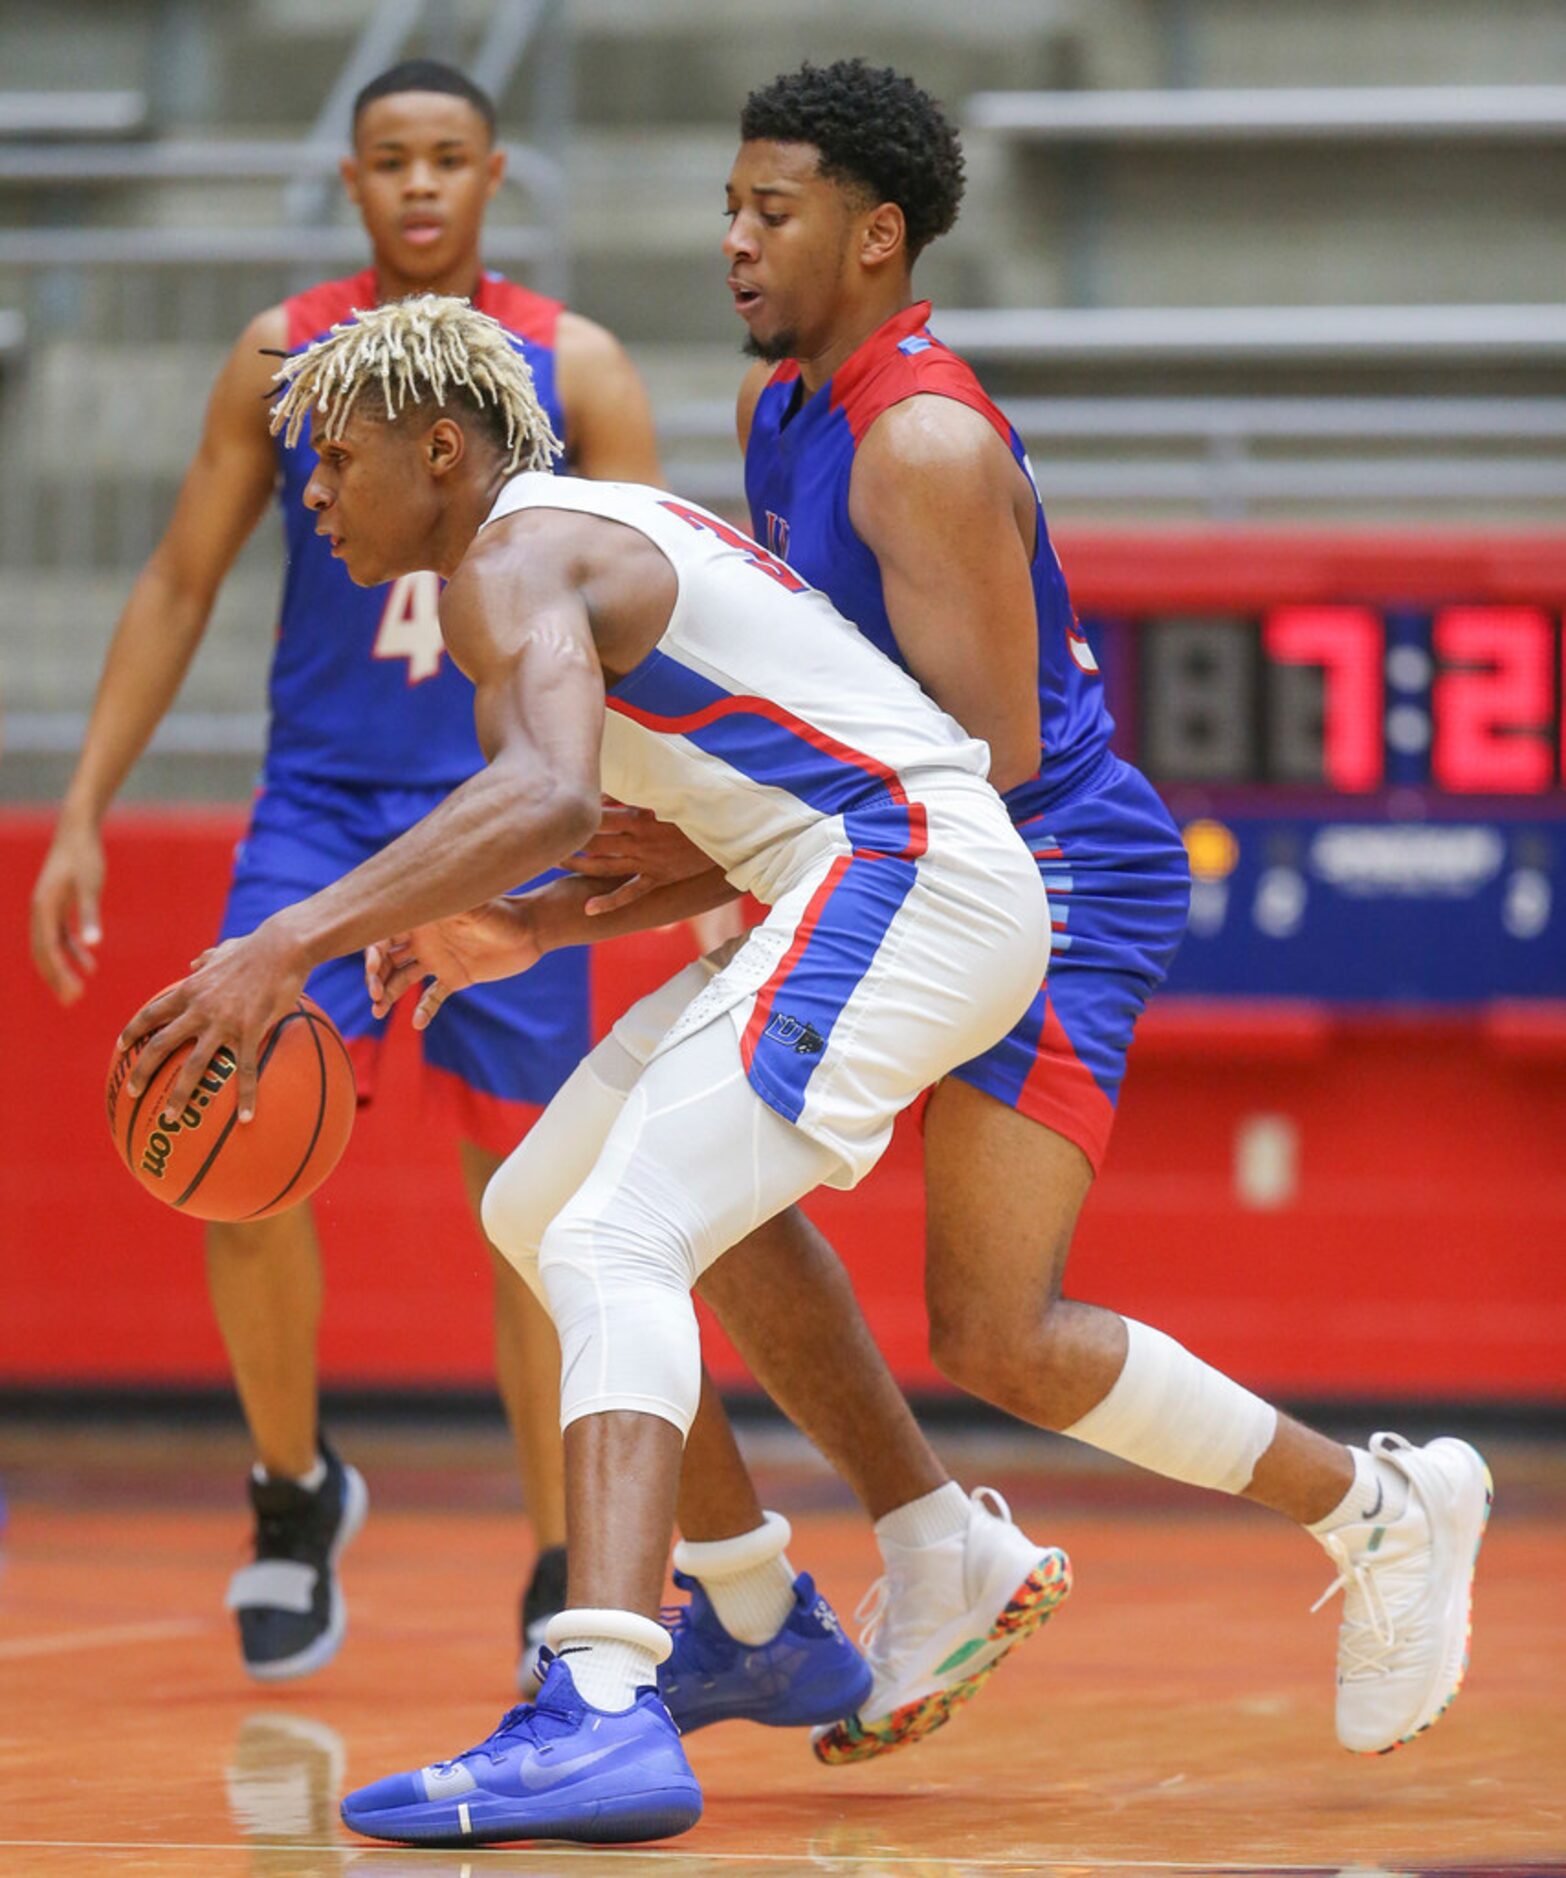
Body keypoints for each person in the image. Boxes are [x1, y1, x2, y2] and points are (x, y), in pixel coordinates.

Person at [582, 57, 1493, 1766]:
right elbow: (840, 734)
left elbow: (978, 760)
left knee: (995, 1331)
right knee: (681, 1190)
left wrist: (719, 864)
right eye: (726, 206)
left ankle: (1375, 1506)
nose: (730, 241)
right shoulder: (778, 412)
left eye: (767, 212)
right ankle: (924, 1551)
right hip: (891, 851)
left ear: (873, 236)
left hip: (1040, 864)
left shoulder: (918, 442)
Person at [117, 292, 1055, 1848]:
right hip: (859, 859)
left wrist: (285, 938)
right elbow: (717, 811)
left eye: (336, 463)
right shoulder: (569, 544)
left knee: (617, 1230)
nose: (317, 497)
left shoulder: (510, 557)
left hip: (909, 875)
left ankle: (604, 1699)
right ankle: (755, 1613)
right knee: (544, 1205)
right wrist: (540, 925)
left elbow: (551, 792)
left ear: (439, 448)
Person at [27, 59, 661, 1683]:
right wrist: (88, 804)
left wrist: (668, 824)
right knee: (221, 1132)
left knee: (537, 1206)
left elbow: (659, 603)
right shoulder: (280, 356)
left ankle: (559, 1567)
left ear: (497, 175)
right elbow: (176, 582)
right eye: (392, 160)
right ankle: (296, 1492)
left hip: (511, 806)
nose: (422, 186)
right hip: (323, 803)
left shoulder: (575, 363)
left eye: (450, 158)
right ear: (354, 179)